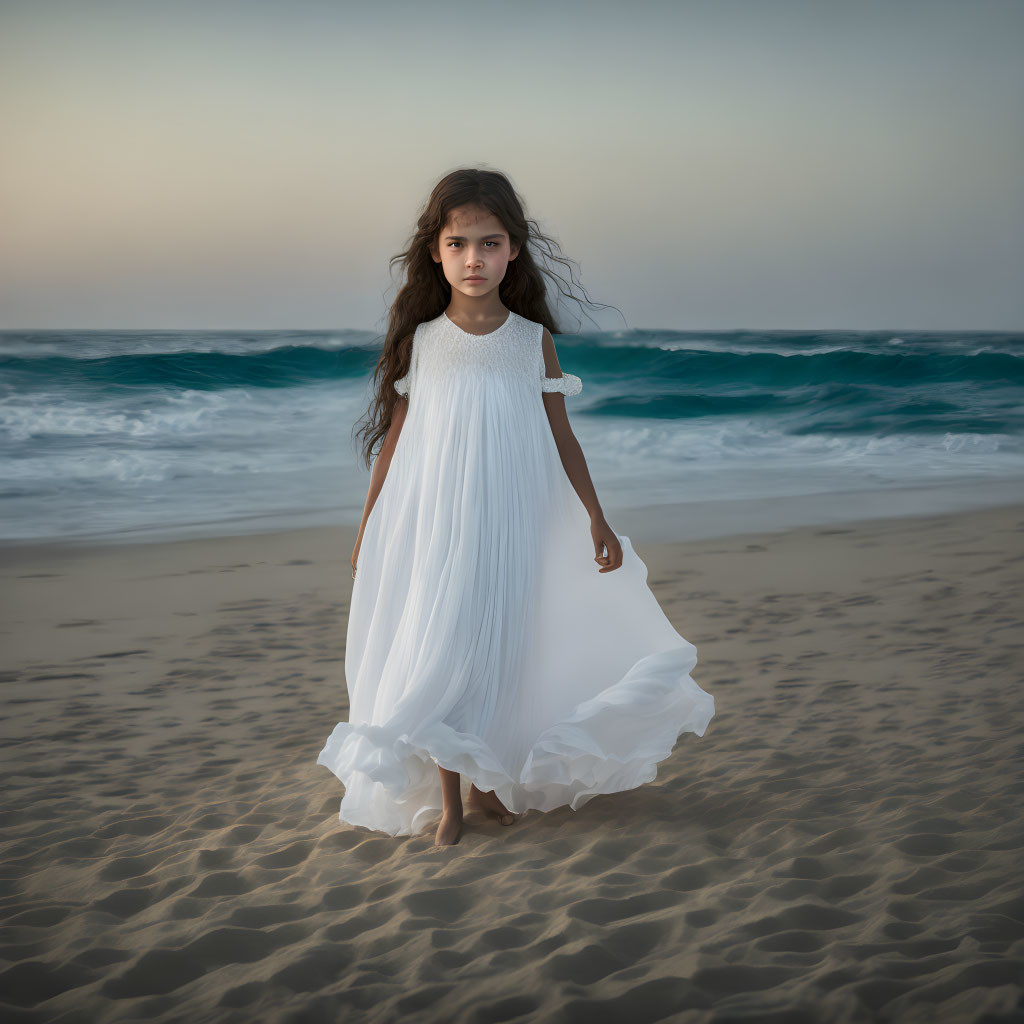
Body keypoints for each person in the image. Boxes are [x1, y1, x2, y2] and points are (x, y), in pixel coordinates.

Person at [316, 168, 715, 846]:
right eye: (459, 243)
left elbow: (562, 433)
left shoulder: (532, 341)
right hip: (436, 525)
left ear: (514, 250)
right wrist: (368, 526)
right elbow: (395, 441)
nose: (475, 259)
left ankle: (485, 786)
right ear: (435, 252)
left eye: (490, 243)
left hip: (513, 520)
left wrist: (595, 515)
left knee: (501, 647)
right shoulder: (424, 342)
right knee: (441, 648)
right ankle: (449, 804)